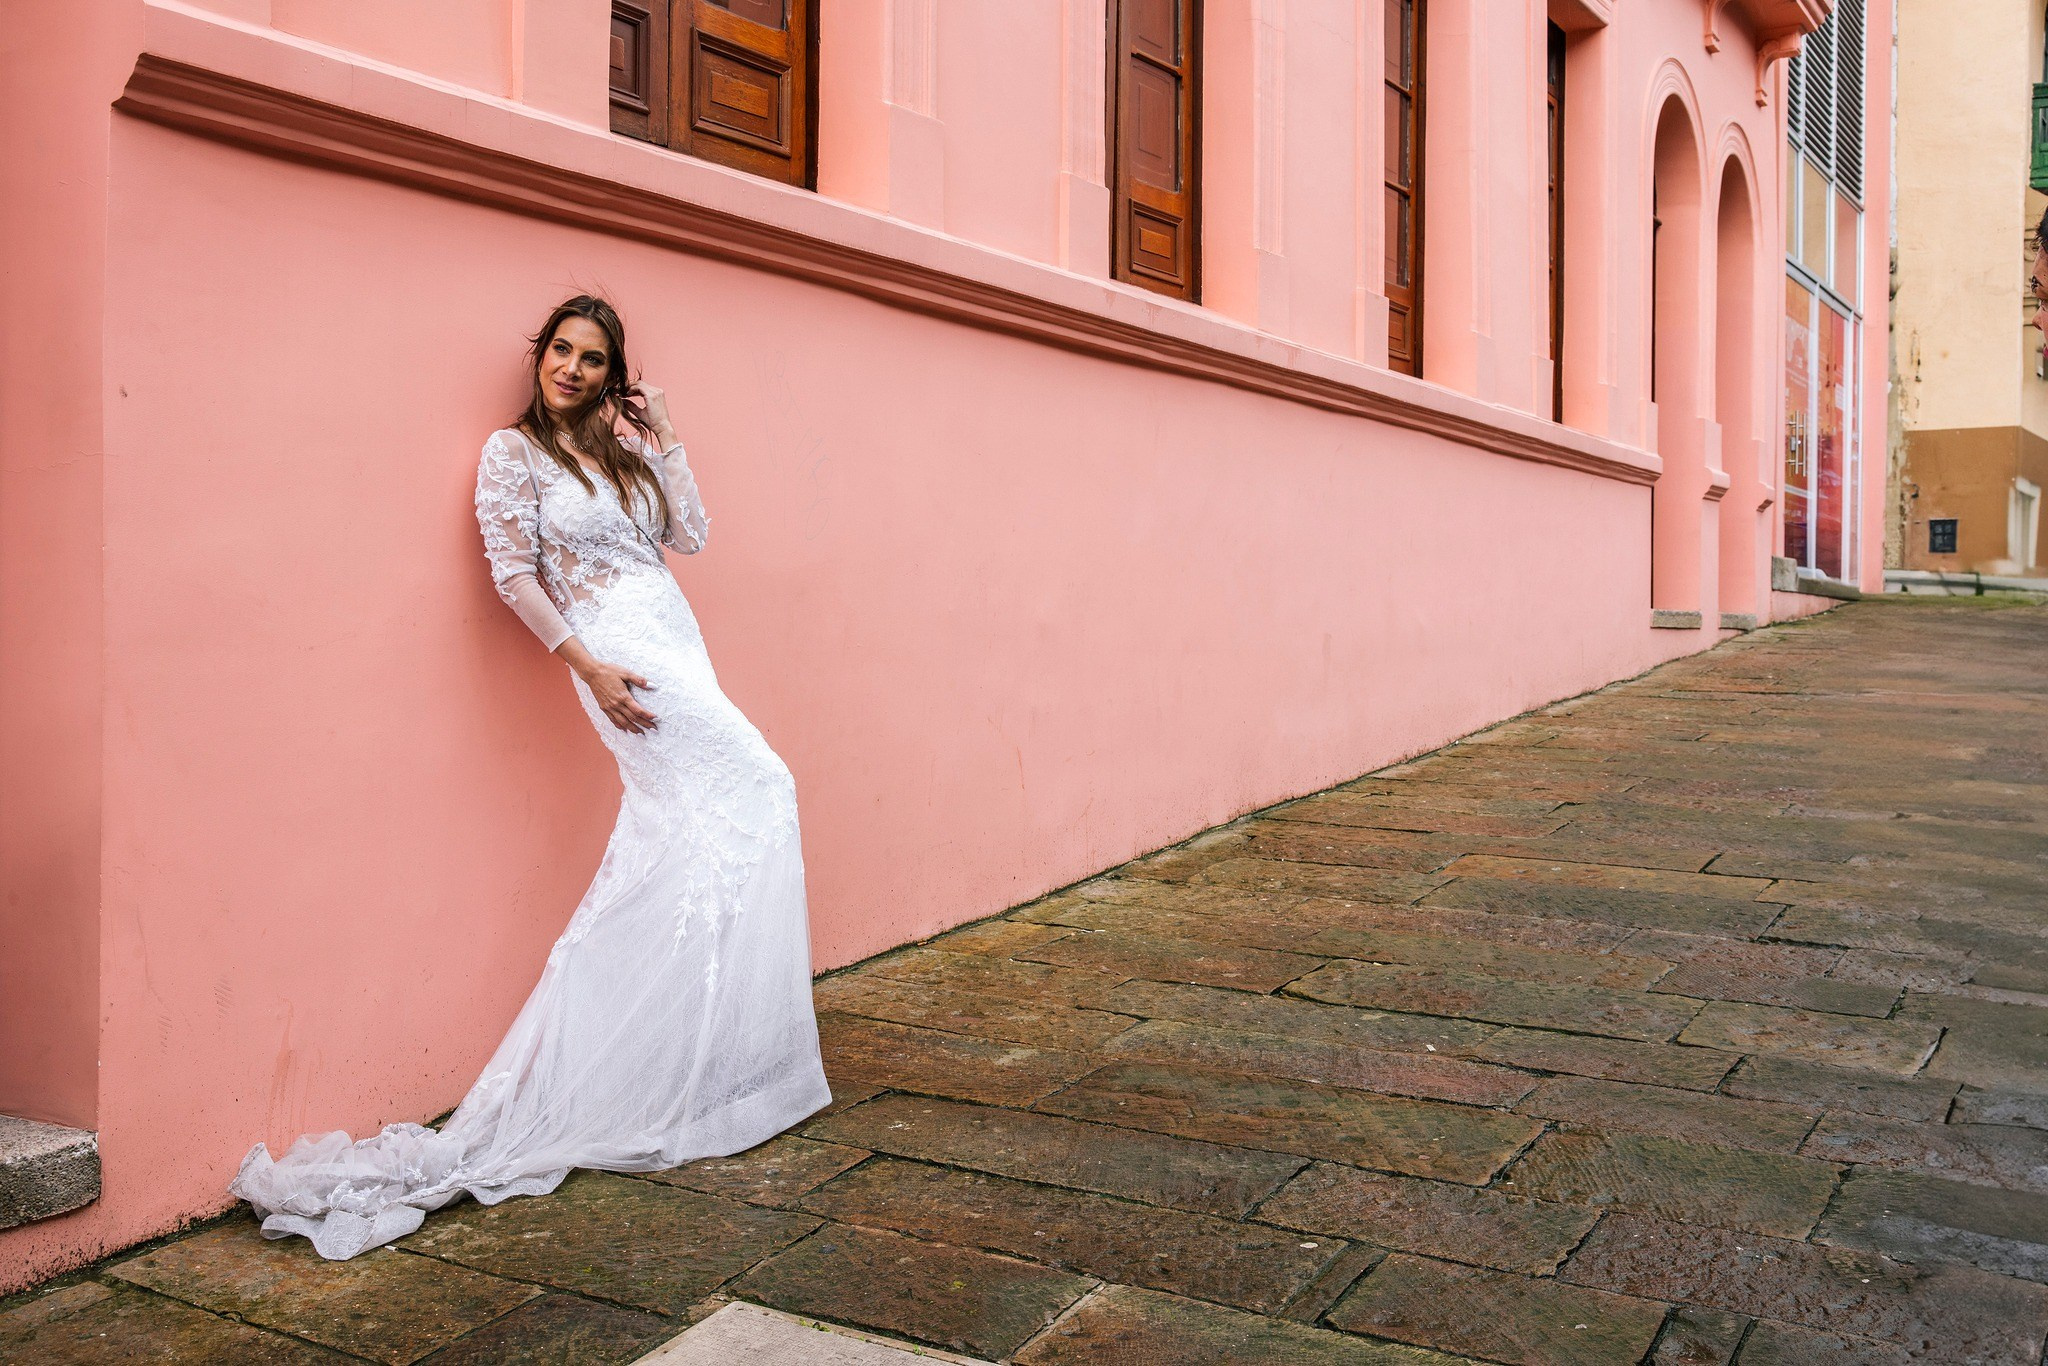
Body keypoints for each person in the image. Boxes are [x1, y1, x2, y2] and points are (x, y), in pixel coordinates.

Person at [228, 295, 832, 1260]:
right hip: (618, 661)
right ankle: (672, 1053)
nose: (574, 370)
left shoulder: (625, 456)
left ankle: (702, 1050)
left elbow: (693, 537)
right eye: (562, 351)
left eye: (595, 359)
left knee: (704, 827)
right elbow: (514, 573)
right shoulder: (513, 457)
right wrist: (587, 667)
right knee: (762, 790)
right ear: (539, 355)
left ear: (613, 372)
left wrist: (666, 434)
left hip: (680, 646)